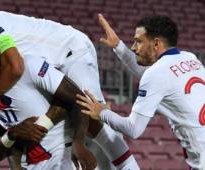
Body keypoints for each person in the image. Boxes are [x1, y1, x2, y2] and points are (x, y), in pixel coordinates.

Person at [0, 1, 139, 169]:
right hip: (46, 70)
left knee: (90, 114)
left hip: (69, 51)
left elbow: (15, 67)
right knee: (73, 123)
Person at [0, 24, 97, 170]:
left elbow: (78, 98)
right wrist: (13, 134)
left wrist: (79, 142)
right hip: (32, 164)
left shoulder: (29, 65)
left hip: (65, 153)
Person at [77, 14, 205, 169]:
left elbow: (133, 129)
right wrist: (119, 46)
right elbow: (154, 76)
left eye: (138, 41)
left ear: (156, 43)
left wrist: (102, 113)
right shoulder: (189, 58)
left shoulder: (157, 74)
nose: (133, 47)